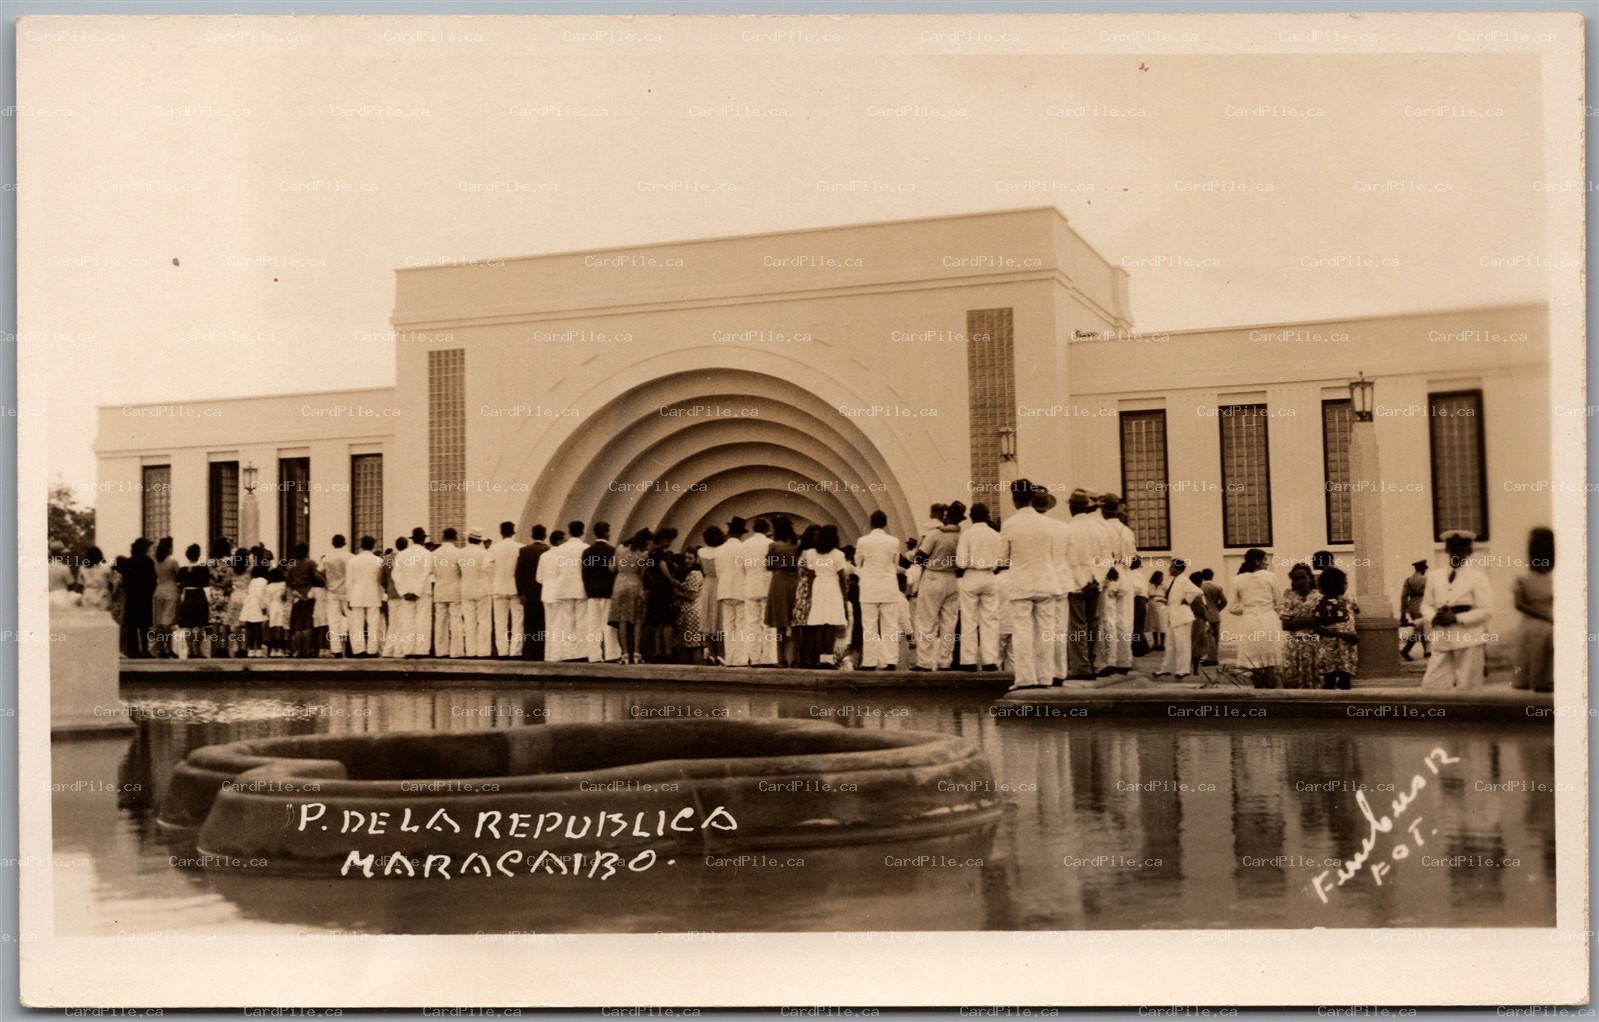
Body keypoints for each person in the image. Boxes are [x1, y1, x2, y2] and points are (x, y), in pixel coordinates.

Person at [1001, 480, 1061, 687]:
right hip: (1046, 581)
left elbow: (1002, 558)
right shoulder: (1047, 523)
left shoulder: (1009, 524)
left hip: (1021, 584)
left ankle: (1026, 678)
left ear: (1014, 499)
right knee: (1046, 631)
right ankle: (1046, 677)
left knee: (1022, 632)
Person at [1420, 530, 1494, 690]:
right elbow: (1426, 604)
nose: (1456, 553)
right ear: (1447, 550)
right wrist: (1433, 617)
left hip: (1469, 637)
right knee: (1432, 686)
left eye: (1461, 550)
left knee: (1469, 688)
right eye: (1453, 549)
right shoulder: (1435, 576)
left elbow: (1487, 610)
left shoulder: (1477, 577)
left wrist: (1456, 618)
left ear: (1469, 551)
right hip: (1442, 636)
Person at [912, 502, 963, 671]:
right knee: (949, 623)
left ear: (945, 517)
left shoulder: (935, 534)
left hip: (933, 576)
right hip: (952, 577)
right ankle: (945, 661)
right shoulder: (961, 536)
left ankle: (925, 662)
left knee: (926, 620)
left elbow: (919, 558)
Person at [1223, 548, 1283, 688]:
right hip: (1269, 620)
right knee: (1270, 659)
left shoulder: (1237, 579)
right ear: (1257, 561)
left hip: (1249, 622)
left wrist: (1248, 610)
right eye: (1265, 560)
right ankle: (1272, 692)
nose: (1267, 563)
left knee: (1253, 659)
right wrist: (1268, 609)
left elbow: (1232, 608)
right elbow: (1279, 602)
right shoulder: (1270, 576)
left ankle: (1258, 693)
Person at [955, 503, 1005, 671]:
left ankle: (968, 660)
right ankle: (989, 660)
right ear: (987, 515)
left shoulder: (967, 535)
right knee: (990, 619)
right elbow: (1001, 560)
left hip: (971, 575)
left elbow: (960, 562)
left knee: (969, 619)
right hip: (989, 576)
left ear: (971, 516)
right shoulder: (995, 535)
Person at [1093, 495, 1138, 676]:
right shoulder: (1126, 530)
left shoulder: (1102, 529)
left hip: (1110, 572)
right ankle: (1124, 660)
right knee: (1125, 619)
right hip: (1126, 574)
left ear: (1103, 510)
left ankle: (1108, 659)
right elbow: (1134, 558)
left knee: (1107, 618)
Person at [855, 511, 903, 671]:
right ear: (885, 523)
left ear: (871, 523)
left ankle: (869, 661)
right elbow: (895, 563)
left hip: (869, 588)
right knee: (890, 625)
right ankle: (891, 660)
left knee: (869, 626)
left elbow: (858, 562)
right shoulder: (894, 541)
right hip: (889, 587)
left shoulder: (862, 541)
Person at [1510, 527, 1553, 692]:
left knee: (1530, 657)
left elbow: (1519, 604)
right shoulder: (1555, 577)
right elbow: (1519, 604)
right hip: (1547, 621)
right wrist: (1548, 617)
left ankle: (1534, 683)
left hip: (1531, 624)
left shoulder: (1522, 577)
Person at [1063, 490, 1100, 679]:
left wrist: (1082, 582)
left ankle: (1080, 666)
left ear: (1071, 508)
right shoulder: (1098, 528)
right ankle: (1093, 663)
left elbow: (1071, 560)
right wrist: (1096, 579)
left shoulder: (1068, 529)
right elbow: (1104, 556)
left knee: (1077, 626)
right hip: (1095, 583)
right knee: (1093, 625)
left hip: (1078, 585)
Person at [801, 524, 849, 667]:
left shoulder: (811, 553)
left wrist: (810, 592)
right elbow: (841, 577)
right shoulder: (838, 555)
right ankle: (829, 657)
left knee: (819, 623)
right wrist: (844, 596)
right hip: (833, 587)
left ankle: (821, 657)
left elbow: (810, 575)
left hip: (818, 586)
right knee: (831, 623)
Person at [541, 522, 589, 662]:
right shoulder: (585, 548)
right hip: (580, 588)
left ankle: (567, 653)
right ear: (582, 532)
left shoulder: (560, 549)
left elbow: (556, 570)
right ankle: (580, 652)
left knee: (566, 622)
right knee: (581, 621)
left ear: (569, 532)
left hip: (564, 587)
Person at [1278, 563, 1323, 689]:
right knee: (1293, 678)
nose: (1299, 581)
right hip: (1294, 646)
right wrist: (1309, 620)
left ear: (1310, 578)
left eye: (1303, 577)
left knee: (1313, 677)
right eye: (1296, 579)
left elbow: (1321, 621)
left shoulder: (1318, 597)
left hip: (1314, 644)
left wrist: (1298, 621)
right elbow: (1286, 624)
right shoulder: (1289, 597)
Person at [739, 518, 777, 666]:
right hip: (767, 584)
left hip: (750, 584)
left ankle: (754, 657)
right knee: (767, 623)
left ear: (753, 529)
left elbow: (742, 565)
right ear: (767, 529)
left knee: (752, 622)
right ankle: (768, 657)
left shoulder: (745, 545)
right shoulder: (770, 544)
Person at [1314, 566, 1358, 690]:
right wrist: (1343, 634)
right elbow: (1316, 628)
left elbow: (1355, 612)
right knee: (1330, 681)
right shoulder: (1322, 604)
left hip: (1346, 648)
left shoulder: (1347, 601)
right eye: (1345, 583)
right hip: (1330, 649)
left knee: (1345, 678)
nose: (1346, 586)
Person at [764, 516, 801, 667]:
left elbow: (768, 566)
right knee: (796, 622)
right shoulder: (797, 543)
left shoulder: (774, 546)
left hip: (779, 582)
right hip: (795, 580)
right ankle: (796, 658)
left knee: (780, 623)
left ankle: (781, 658)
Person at [1154, 559, 1199, 680]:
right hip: (1173, 616)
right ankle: (1166, 668)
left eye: (1172, 567)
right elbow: (1174, 597)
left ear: (1178, 569)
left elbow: (1197, 591)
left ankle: (1182, 670)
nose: (1169, 568)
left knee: (1182, 644)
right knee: (1170, 644)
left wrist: (1186, 600)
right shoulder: (1174, 581)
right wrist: (1166, 601)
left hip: (1182, 617)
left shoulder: (1184, 580)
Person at [581, 521, 619, 663]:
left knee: (593, 625)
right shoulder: (612, 551)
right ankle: (612, 654)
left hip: (592, 591)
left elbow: (585, 573)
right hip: (608, 591)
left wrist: (588, 589)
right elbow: (614, 571)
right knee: (608, 624)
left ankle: (594, 655)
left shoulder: (587, 552)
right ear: (606, 533)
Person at [391, 536, 433, 657]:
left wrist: (404, 591)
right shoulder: (426, 554)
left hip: (407, 593)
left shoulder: (402, 554)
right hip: (423, 592)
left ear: (412, 539)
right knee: (423, 620)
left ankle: (408, 649)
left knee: (408, 621)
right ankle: (422, 650)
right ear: (423, 539)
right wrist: (417, 591)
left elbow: (396, 574)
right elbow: (426, 572)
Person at [611, 530, 649, 664]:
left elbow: (612, 568)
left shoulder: (620, 548)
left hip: (620, 583)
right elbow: (643, 573)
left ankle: (625, 654)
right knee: (637, 620)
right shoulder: (643, 553)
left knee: (622, 620)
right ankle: (637, 654)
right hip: (635, 583)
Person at [488, 521, 525, 659]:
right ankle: (515, 651)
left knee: (500, 622)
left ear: (501, 532)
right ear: (513, 532)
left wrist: (494, 579)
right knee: (517, 621)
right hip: (515, 589)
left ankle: (502, 651)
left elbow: (487, 567)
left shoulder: (494, 548)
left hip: (499, 588)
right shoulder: (520, 547)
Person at [345, 536, 386, 657]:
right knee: (374, 624)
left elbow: (349, 582)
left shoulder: (352, 561)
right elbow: (381, 582)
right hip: (374, 596)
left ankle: (358, 650)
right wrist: (382, 597)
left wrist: (348, 598)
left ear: (361, 545)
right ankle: (372, 651)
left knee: (357, 624)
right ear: (373, 546)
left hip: (356, 595)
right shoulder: (378, 561)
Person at [717, 518, 750, 666]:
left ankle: (729, 658)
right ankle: (740, 658)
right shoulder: (743, 548)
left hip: (724, 589)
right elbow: (746, 569)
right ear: (741, 534)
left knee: (728, 625)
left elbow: (718, 572)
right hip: (741, 589)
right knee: (741, 624)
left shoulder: (720, 549)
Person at [514, 525, 549, 661]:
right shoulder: (547, 550)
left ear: (532, 535)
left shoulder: (524, 551)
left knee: (528, 625)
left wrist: (521, 592)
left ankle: (528, 652)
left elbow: (518, 573)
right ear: (544, 535)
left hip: (528, 595)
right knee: (541, 624)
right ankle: (539, 652)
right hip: (542, 593)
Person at [460, 529, 496, 657]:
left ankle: (470, 651)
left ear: (468, 539)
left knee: (469, 621)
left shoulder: (461, 553)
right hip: (483, 589)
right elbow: (489, 570)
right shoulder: (485, 553)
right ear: (480, 540)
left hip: (466, 589)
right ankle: (483, 651)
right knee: (484, 621)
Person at [432, 529, 466, 658]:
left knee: (440, 621)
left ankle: (441, 650)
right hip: (455, 590)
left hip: (440, 590)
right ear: (455, 538)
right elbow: (462, 571)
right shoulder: (459, 553)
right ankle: (456, 651)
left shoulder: (434, 554)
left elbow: (433, 572)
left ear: (443, 537)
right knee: (456, 619)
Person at [120, 538, 157, 658]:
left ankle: (133, 649)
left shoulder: (128, 562)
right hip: (145, 596)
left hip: (132, 595)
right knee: (144, 625)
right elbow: (152, 581)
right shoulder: (149, 562)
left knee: (131, 624)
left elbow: (125, 580)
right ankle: (145, 649)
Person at [284, 542, 321, 658]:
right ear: (307, 551)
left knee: (297, 623)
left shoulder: (292, 565)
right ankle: (307, 649)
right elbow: (317, 577)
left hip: (296, 594)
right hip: (308, 592)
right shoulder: (311, 563)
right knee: (308, 622)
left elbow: (288, 582)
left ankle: (297, 649)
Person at [791, 525, 819, 668]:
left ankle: (804, 657)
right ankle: (805, 658)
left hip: (804, 589)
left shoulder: (804, 553)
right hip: (806, 590)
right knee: (807, 626)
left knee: (806, 626)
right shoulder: (806, 553)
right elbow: (808, 571)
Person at [176, 543, 211, 658]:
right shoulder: (203, 569)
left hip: (187, 595)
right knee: (199, 624)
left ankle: (190, 649)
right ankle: (197, 649)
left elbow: (179, 583)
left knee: (188, 625)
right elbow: (206, 583)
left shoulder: (182, 569)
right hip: (199, 594)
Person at [697, 526, 725, 666]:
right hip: (719, 583)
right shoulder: (722, 551)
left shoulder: (701, 551)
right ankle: (721, 653)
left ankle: (711, 653)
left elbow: (702, 569)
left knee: (708, 620)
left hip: (707, 584)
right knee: (719, 621)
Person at [151, 537, 180, 658]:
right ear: (169, 548)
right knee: (167, 621)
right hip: (171, 590)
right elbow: (179, 575)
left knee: (159, 622)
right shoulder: (172, 561)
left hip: (159, 590)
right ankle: (168, 647)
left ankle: (161, 647)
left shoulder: (155, 561)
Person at [322, 535, 351, 657]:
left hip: (332, 591)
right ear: (344, 543)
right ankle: (355, 648)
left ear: (332, 543)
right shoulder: (349, 557)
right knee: (353, 620)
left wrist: (326, 583)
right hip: (346, 591)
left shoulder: (326, 558)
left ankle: (336, 649)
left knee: (333, 622)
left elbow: (319, 572)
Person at [1399, 559, 1431, 661]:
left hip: (1411, 607)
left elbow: (1403, 597)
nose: (1425, 570)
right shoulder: (1425, 580)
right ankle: (1405, 651)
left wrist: (1403, 613)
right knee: (1418, 630)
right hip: (1421, 606)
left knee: (1421, 628)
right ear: (1422, 569)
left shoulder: (1408, 580)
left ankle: (1427, 652)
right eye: (1425, 569)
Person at [675, 549, 705, 663]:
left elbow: (692, 596)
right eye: (685, 558)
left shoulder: (694, 574)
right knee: (691, 644)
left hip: (691, 611)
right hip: (693, 611)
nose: (687, 561)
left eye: (690, 558)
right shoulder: (696, 573)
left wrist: (678, 593)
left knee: (692, 645)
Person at [239, 563, 270, 657]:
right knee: (258, 629)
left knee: (250, 628)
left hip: (249, 605)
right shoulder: (263, 581)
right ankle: (259, 649)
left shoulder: (253, 581)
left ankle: (251, 649)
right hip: (258, 605)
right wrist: (263, 607)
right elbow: (261, 595)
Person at [1199, 567, 1228, 666]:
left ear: (1202, 577)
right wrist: (1217, 609)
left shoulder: (1200, 588)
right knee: (1216, 637)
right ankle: (1214, 657)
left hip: (1206, 614)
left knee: (1209, 637)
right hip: (1216, 614)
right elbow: (1224, 601)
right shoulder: (1217, 587)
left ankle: (1211, 658)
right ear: (1212, 576)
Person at [264, 566, 290, 657]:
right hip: (281, 605)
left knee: (272, 627)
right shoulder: (284, 584)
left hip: (272, 606)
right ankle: (280, 649)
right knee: (280, 627)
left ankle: (273, 649)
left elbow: (266, 600)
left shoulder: (269, 586)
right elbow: (286, 597)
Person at [79, 546, 112, 613]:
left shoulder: (82, 568)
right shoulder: (106, 567)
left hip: (87, 594)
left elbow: (80, 583)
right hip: (102, 595)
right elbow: (111, 581)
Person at [1145, 568, 1167, 654]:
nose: (1162, 579)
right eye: (1160, 577)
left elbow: (1168, 595)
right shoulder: (1150, 585)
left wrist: (1163, 600)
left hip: (1161, 606)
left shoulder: (1164, 586)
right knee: (1154, 624)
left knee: (1162, 624)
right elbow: (1148, 595)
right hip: (1152, 606)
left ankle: (1162, 643)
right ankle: (1155, 643)